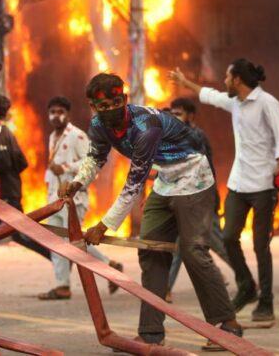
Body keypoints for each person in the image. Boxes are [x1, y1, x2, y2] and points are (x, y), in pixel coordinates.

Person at [65, 73, 242, 352]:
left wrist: (104, 225)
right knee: (150, 250)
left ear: (124, 99)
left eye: (114, 102)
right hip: (165, 181)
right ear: (92, 107)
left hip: (193, 177)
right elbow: (95, 156)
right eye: (102, 106)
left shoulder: (146, 126)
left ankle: (227, 326)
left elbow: (134, 183)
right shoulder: (98, 124)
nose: (109, 109)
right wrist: (78, 181)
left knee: (194, 251)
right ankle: (151, 334)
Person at [170, 59, 279, 323]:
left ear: (237, 79)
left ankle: (266, 303)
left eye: (226, 77)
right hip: (238, 183)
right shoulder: (235, 103)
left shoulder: (267, 103)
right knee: (227, 237)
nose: (223, 82)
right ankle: (246, 284)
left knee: (261, 245)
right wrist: (184, 83)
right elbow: (210, 96)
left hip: (263, 185)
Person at [37, 96, 122, 300]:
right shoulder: (52, 136)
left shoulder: (77, 136)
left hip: (74, 199)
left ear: (68, 114)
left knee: (73, 242)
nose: (56, 115)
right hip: (54, 199)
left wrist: (65, 168)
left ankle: (109, 268)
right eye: (52, 112)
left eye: (60, 111)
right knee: (56, 243)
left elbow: (89, 163)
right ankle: (62, 286)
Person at [0, 94, 52, 294]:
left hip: (4, 196)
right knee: (14, 235)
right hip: (8, 192)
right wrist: (5, 178)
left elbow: (6, 164)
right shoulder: (8, 133)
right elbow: (22, 163)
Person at [165, 97, 233, 303]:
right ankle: (166, 288)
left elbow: (200, 168)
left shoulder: (196, 136)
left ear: (191, 116)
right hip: (183, 200)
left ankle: (245, 277)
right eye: (172, 114)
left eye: (179, 114)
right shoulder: (175, 135)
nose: (175, 118)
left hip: (202, 200)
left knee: (218, 244)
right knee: (179, 248)